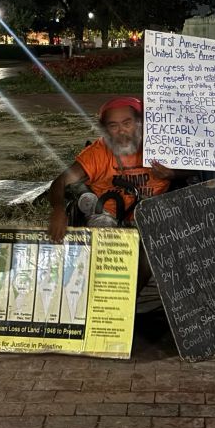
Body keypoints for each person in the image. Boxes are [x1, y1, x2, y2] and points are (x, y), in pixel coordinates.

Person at [48, 97, 183, 288]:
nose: (121, 131)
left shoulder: (160, 145)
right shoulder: (97, 152)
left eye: (127, 123)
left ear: (139, 123)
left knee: (146, 252)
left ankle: (128, 305)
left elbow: (195, 172)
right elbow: (60, 182)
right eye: (113, 126)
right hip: (108, 220)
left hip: (150, 218)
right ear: (105, 130)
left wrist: (172, 173)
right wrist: (58, 211)